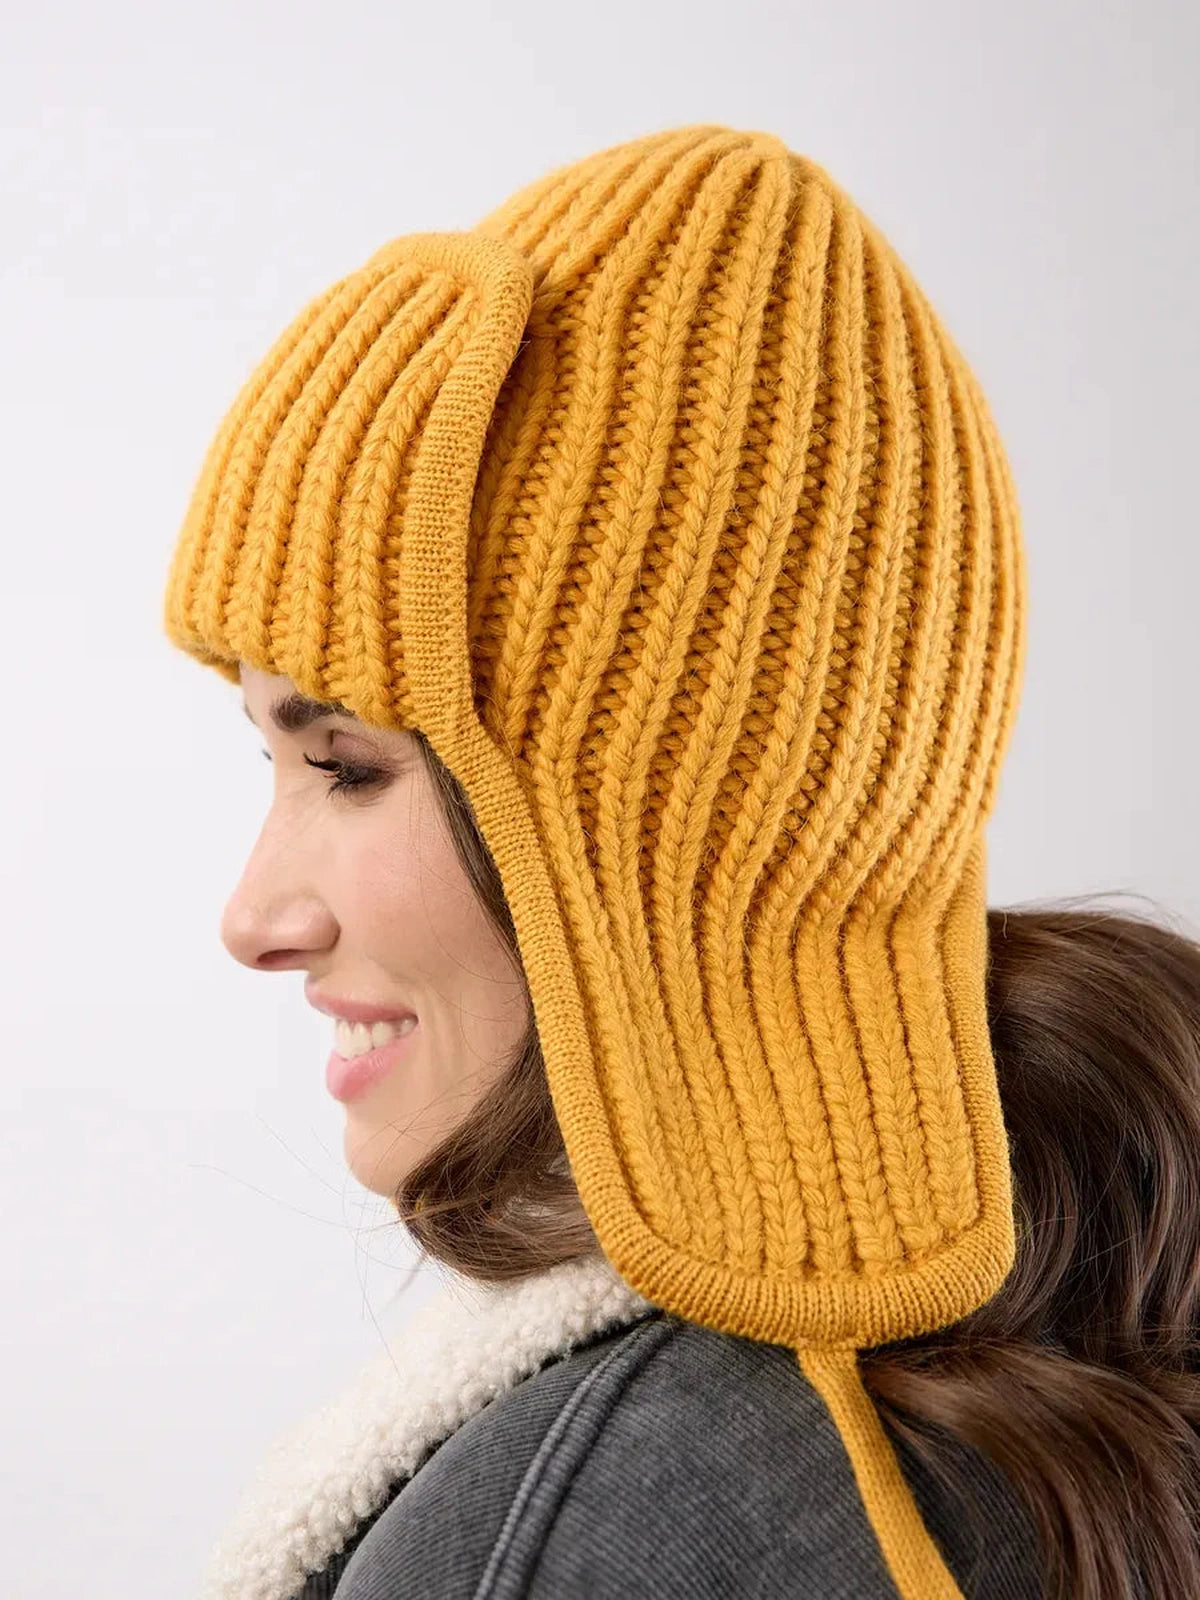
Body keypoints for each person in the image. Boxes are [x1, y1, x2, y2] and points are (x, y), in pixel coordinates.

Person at [162, 124, 1200, 1600]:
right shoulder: (1095, 1312)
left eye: (349, 766)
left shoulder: (614, 1515)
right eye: (274, 762)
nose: (254, 917)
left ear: (673, 820)